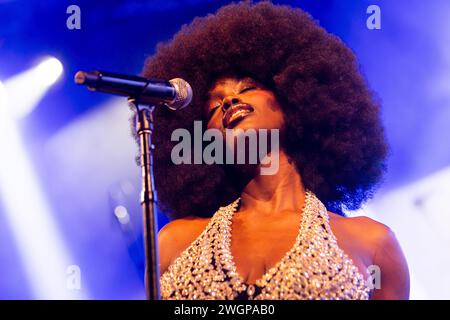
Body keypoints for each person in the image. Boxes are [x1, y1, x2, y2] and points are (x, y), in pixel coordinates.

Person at [131, 1, 409, 299]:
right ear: (205, 139)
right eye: (214, 106)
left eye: (247, 87)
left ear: (296, 97)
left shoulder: (372, 244)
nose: (229, 101)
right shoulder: (175, 243)